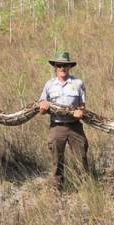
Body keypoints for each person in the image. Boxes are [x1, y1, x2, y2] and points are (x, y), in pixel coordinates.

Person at [39, 52, 89, 191]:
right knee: (57, 160)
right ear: (55, 67)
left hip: (75, 126)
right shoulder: (49, 84)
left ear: (69, 67)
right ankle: (57, 189)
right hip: (57, 126)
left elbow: (83, 107)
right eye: (59, 65)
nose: (62, 68)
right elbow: (42, 105)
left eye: (65, 65)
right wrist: (43, 106)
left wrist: (81, 112)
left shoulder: (78, 83)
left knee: (81, 158)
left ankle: (85, 189)